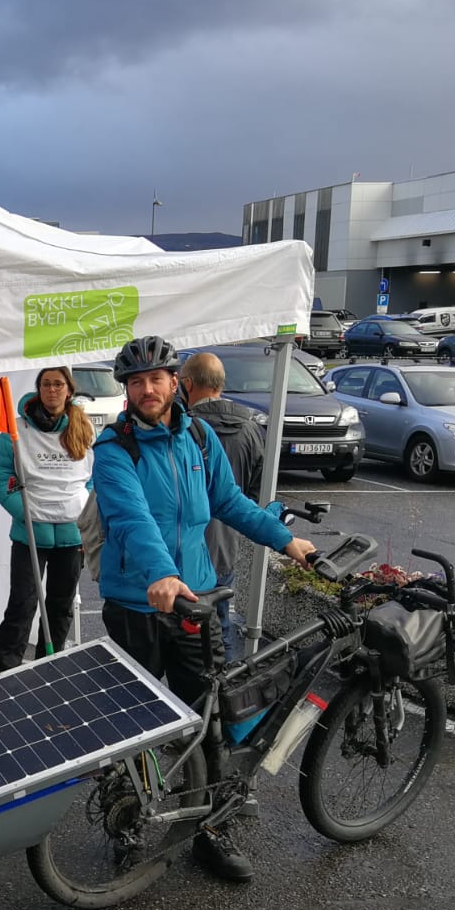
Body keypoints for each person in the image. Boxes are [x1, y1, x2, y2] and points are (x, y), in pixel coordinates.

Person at [92, 337, 316, 882]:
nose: (148, 389)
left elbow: (230, 502)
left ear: (176, 382)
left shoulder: (198, 435)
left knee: (207, 718)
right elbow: (131, 519)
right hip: (137, 602)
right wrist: (159, 573)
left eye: (157, 379)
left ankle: (211, 828)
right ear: (127, 390)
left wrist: (286, 541)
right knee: (133, 725)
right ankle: (127, 822)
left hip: (196, 599)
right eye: (137, 381)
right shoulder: (115, 449)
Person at [0, 367, 94, 672]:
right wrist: (27, 512)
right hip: (30, 535)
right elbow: (0, 479)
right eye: (46, 384)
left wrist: (82, 509)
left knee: (60, 609)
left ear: (69, 390)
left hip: (71, 536)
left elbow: (92, 479)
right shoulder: (15, 431)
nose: (52, 390)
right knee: (22, 605)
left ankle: (49, 668)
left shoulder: (84, 428)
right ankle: (7, 672)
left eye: (58, 384)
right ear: (38, 389)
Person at [180, 352, 266, 661]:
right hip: (226, 546)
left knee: (180, 635)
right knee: (222, 626)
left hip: (184, 551)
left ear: (187, 384)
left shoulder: (183, 429)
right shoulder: (251, 428)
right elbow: (255, 493)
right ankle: (226, 695)